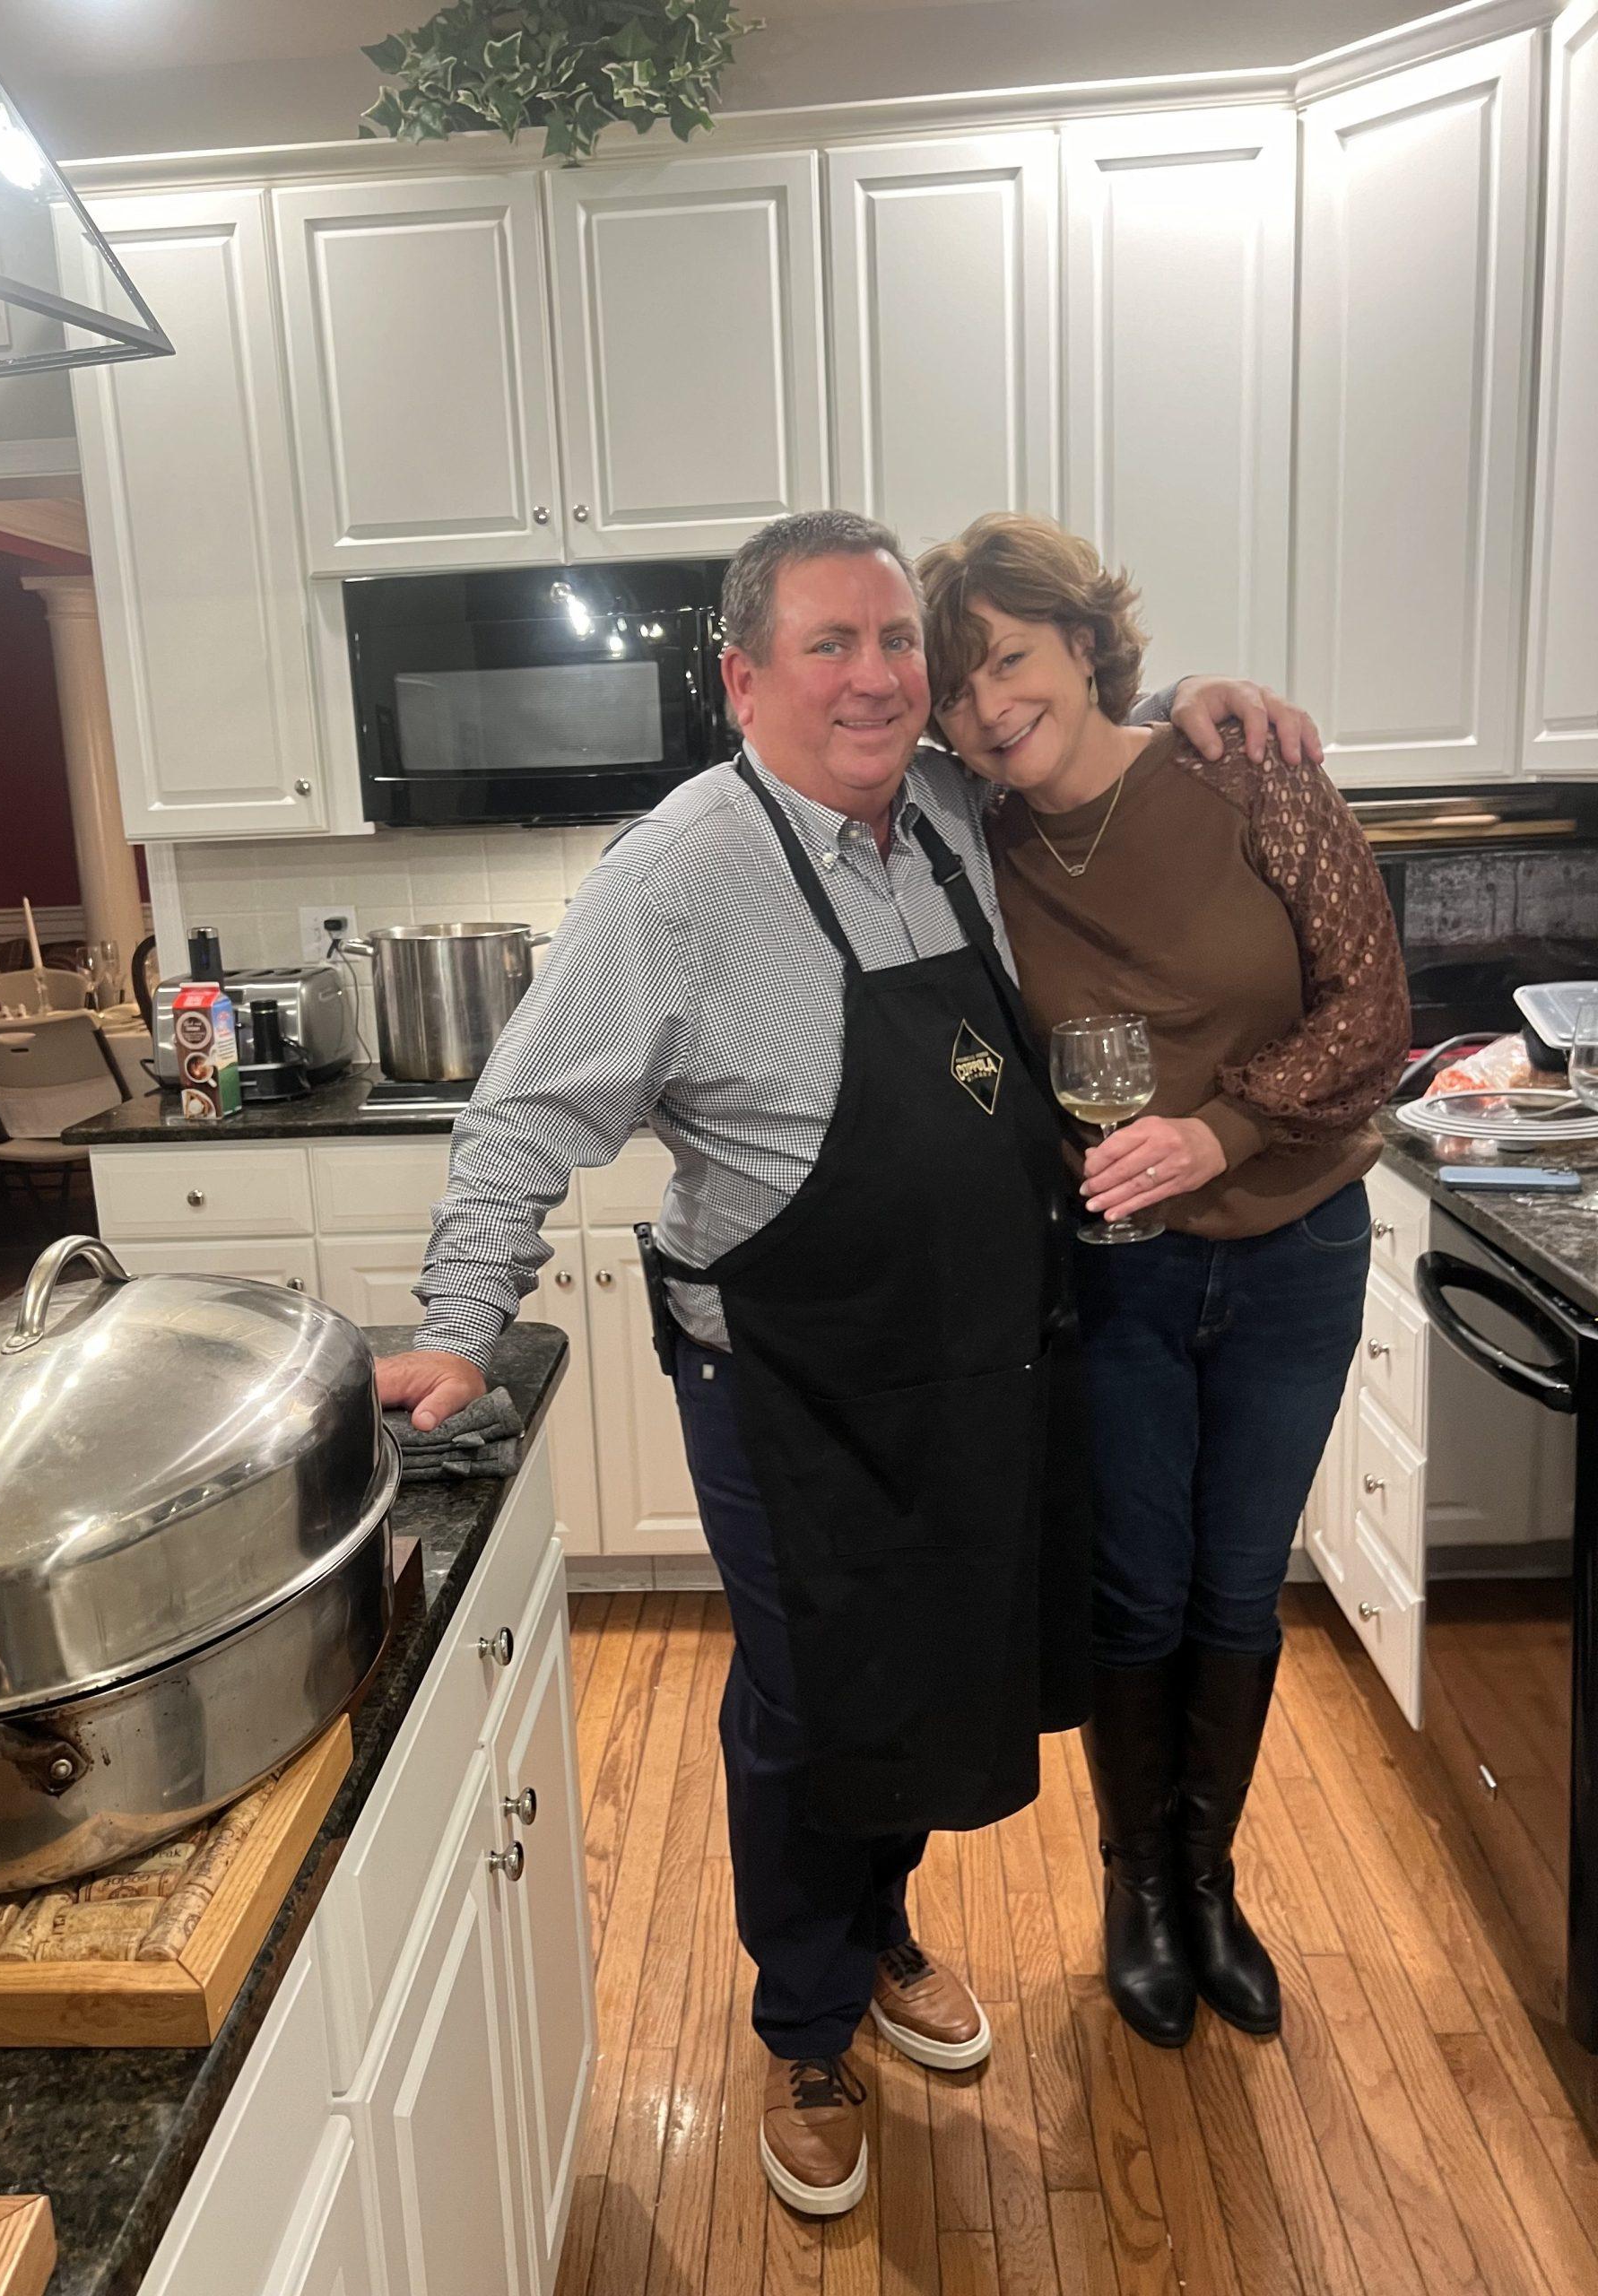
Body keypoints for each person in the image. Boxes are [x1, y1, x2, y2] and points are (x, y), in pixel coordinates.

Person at [378, 509, 1323, 2214]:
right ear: (745, 677)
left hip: (974, 1366)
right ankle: (806, 2028)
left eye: (901, 642)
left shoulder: (951, 815)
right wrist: (458, 1327)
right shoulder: (673, 880)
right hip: (790, 1379)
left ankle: (880, 1933)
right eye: (835, 644)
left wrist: (1204, 703)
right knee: (814, 1704)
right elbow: (521, 1119)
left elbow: (1085, 749)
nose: (884, 677)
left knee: (929, 1672)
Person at [919, 511, 1410, 2051]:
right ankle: (1137, 1889)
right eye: (958, 688)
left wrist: (1223, 1132)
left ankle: (1211, 1885)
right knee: (1136, 1586)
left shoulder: (1243, 767)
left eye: (1007, 658)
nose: (989, 704)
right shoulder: (971, 838)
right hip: (1117, 1275)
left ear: (1081, 640)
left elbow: (1375, 1005)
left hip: (1298, 1247)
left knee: (1237, 1583)